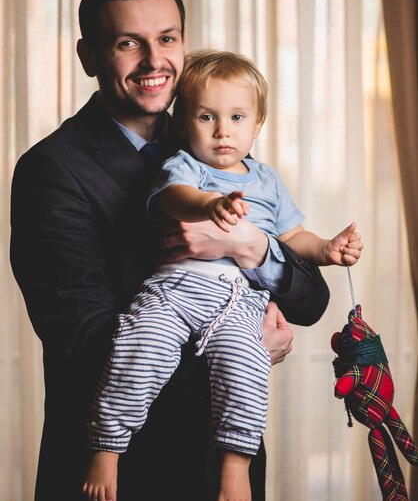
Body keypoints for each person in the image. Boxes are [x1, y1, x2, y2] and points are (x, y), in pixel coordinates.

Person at [10, 0, 331, 501]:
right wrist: (244, 349)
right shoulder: (52, 169)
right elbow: (82, 338)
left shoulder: (220, 144)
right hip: (124, 474)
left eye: (167, 39)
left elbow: (311, 299)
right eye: (128, 43)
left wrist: (251, 247)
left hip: (229, 471)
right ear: (89, 56)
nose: (154, 61)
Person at [82, 49, 363, 501]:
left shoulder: (268, 181)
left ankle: (236, 466)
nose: (222, 131)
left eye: (236, 117)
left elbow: (294, 237)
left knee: (247, 368)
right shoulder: (186, 167)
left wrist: (328, 250)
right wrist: (209, 205)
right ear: (182, 122)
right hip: (175, 290)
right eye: (206, 117)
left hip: (238, 301)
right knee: (139, 345)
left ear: (257, 124)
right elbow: (172, 197)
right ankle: (106, 447)